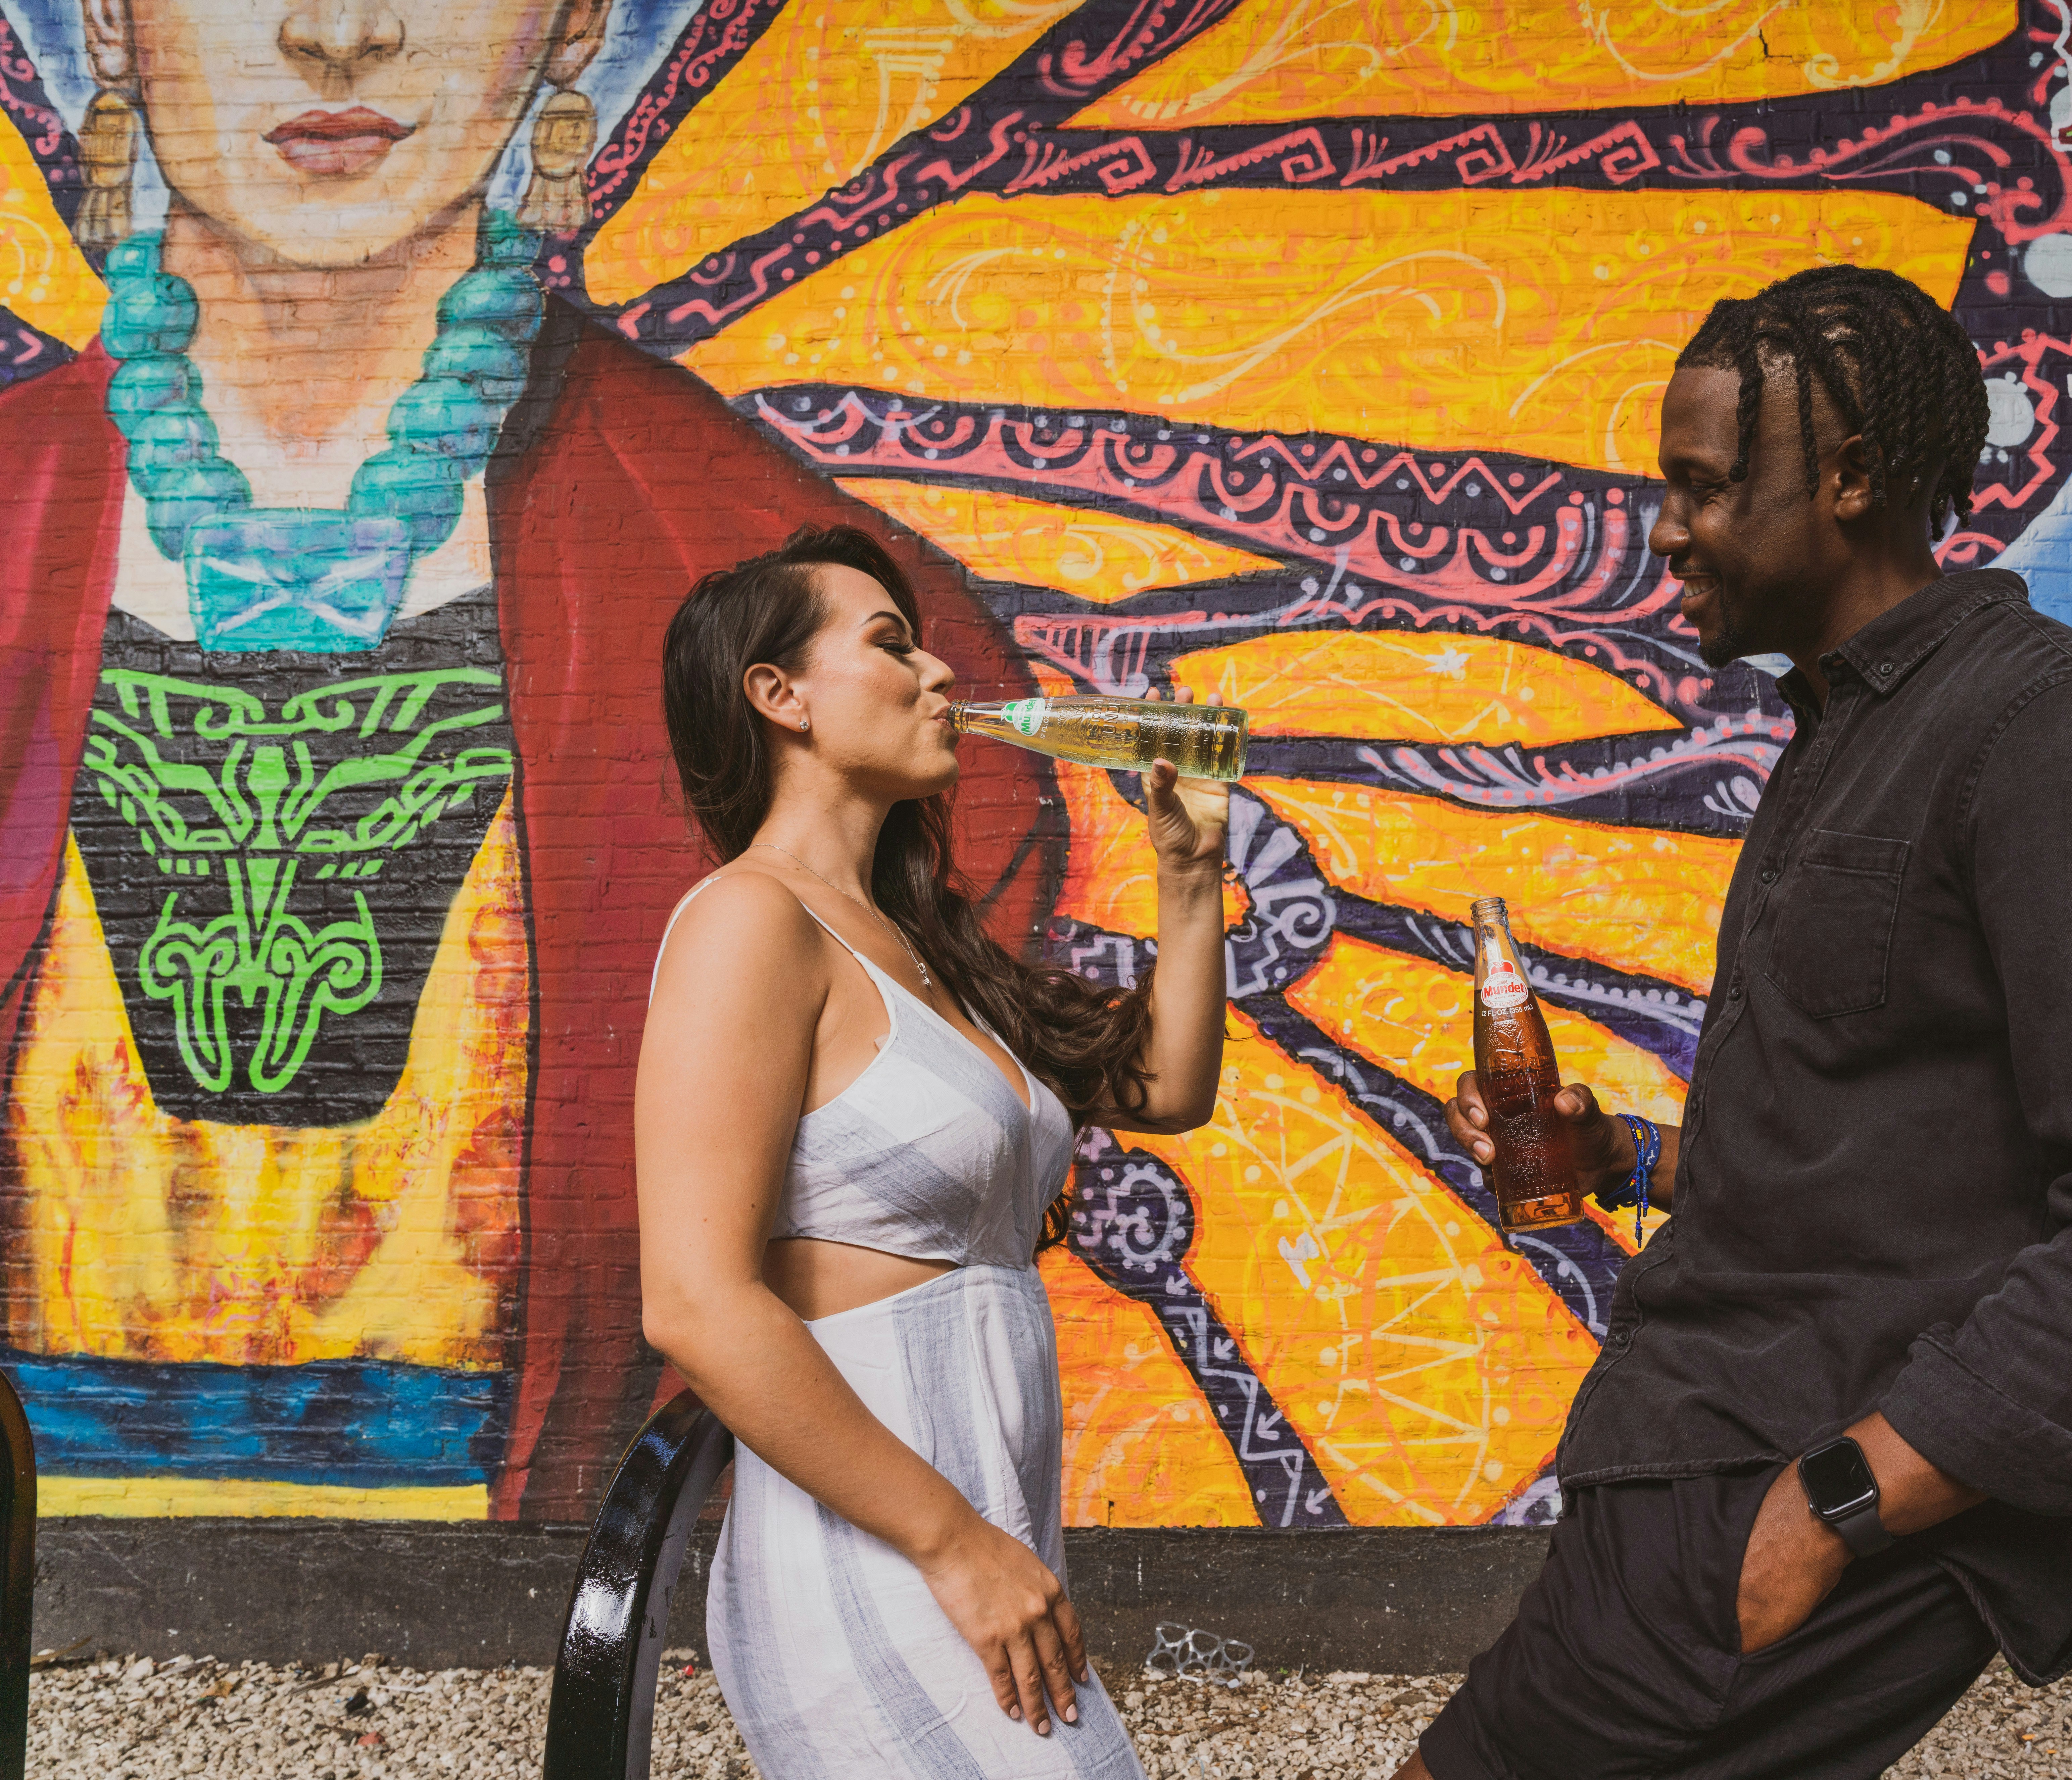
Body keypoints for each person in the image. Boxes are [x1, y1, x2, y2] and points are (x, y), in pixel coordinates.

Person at [0, 0, 1055, 1519]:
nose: (338, 37)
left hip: (567, 1570)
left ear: (566, 28)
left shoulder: (779, 597)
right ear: (108, 16)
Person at [1406, 265, 2072, 1779]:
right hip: (1698, 1457)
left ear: (1846, 480)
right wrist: (1617, 1151)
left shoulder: (2054, 736)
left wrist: (1838, 1505)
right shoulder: (1850, 738)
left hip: (1785, 1479)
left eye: (1700, 486)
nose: (1665, 530)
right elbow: (1884, 1161)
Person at [639, 527, 1225, 1776]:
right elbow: (694, 1301)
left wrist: (1190, 881)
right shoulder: (749, 922)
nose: (944, 676)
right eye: (893, 645)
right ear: (778, 695)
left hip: (988, 1540)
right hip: (885, 1550)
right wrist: (954, 1545)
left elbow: (1166, 1086)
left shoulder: (916, 945)